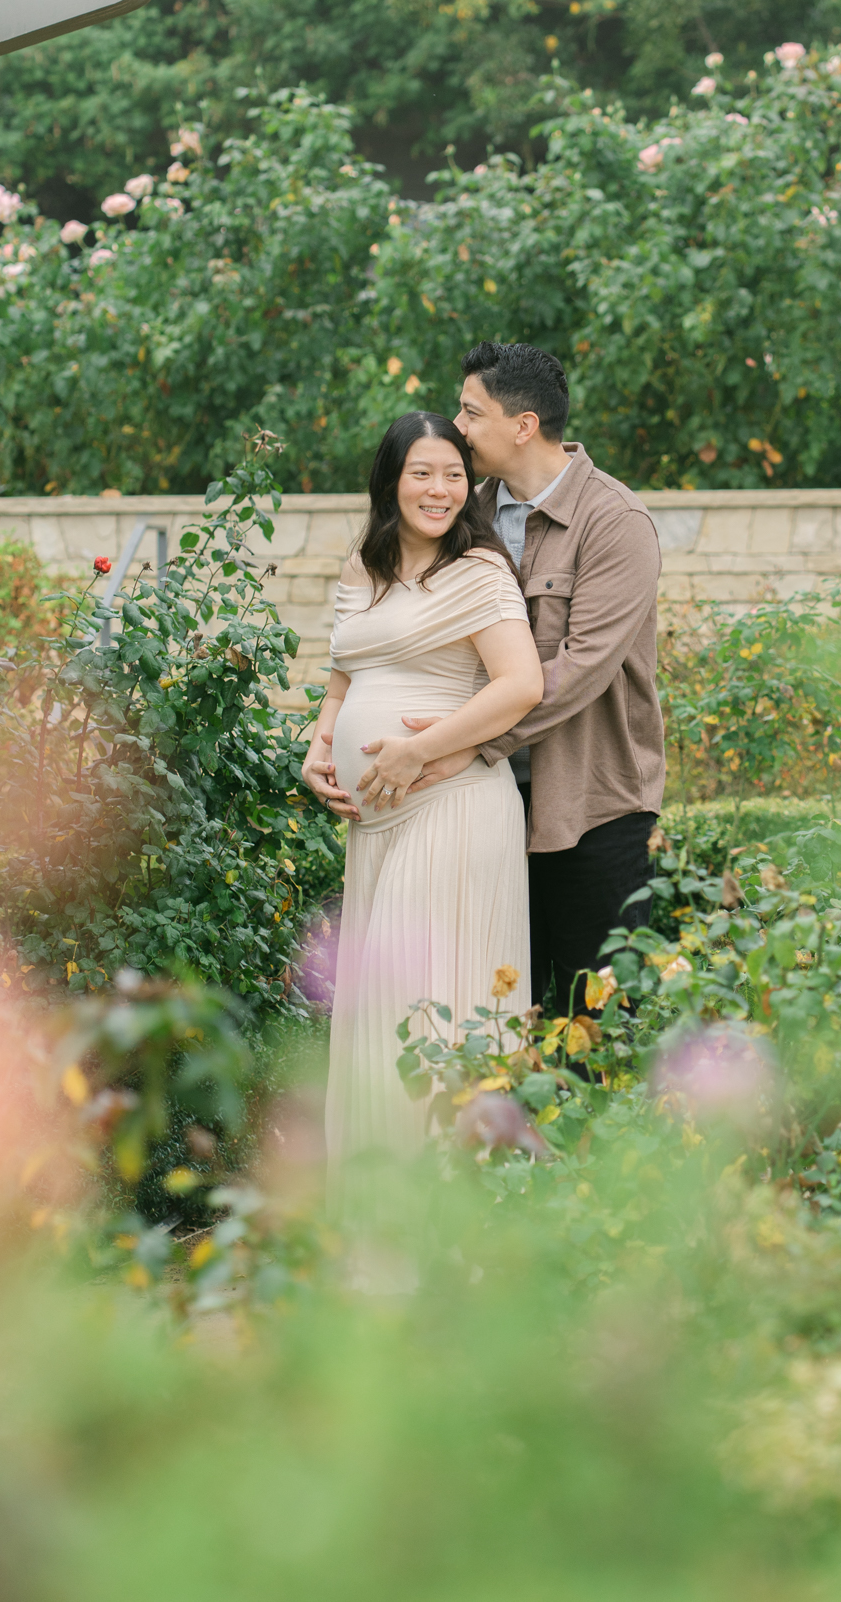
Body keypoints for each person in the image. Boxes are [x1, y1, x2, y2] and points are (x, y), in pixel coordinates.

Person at [301, 411, 542, 1164]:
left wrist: (417, 753)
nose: (439, 489)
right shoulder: (361, 571)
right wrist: (316, 747)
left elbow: (522, 685)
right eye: (421, 473)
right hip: (373, 825)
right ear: (390, 481)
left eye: (453, 474)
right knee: (376, 1013)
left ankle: (450, 1231)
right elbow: (345, 682)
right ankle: (379, 1226)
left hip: (453, 810)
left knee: (425, 1014)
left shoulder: (476, 570)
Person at [407, 341, 664, 1018]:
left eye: (470, 412)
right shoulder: (467, 517)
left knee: (598, 1025)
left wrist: (464, 741)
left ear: (522, 425)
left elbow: (581, 668)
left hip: (591, 811)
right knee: (497, 1017)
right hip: (485, 803)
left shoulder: (615, 521)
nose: (456, 428)